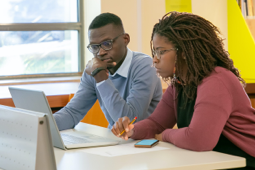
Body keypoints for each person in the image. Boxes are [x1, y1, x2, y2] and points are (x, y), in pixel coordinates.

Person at [111, 11, 255, 169]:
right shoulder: (180, 83)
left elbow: (199, 139)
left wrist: (164, 135)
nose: (155, 59)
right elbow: (156, 123)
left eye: (161, 51)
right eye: (155, 52)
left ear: (184, 52)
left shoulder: (216, 80)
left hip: (245, 161)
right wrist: (132, 130)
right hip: (215, 161)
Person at [53, 13, 162, 130]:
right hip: (115, 142)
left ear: (125, 39)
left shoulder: (145, 66)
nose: (100, 52)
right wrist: (42, 124)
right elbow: (72, 113)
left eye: (107, 44)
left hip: (147, 143)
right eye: (94, 47)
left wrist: (101, 79)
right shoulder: (95, 69)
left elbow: (128, 122)